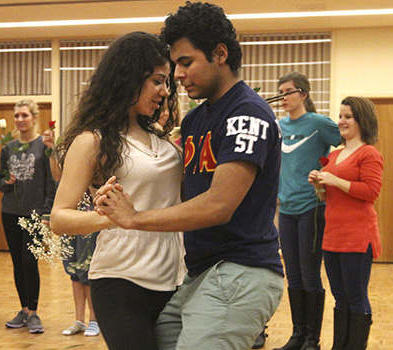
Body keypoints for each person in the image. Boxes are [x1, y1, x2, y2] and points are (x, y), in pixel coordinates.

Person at [95, 3, 284, 349]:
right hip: (199, 274)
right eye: (174, 66)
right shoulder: (196, 121)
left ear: (220, 54)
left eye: (186, 62)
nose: (176, 76)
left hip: (240, 270)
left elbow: (218, 206)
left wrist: (134, 218)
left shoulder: (248, 114)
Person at [50, 31, 184, 350]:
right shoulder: (92, 141)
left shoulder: (162, 140)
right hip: (121, 282)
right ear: (129, 78)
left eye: (167, 82)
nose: (165, 91)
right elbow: (59, 218)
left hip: (175, 280)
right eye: (157, 80)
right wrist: (114, 219)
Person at [308, 97, 382, 350]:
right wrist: (319, 185)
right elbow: (329, 197)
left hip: (358, 237)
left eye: (348, 117)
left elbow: (371, 191)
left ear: (362, 120)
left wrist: (335, 180)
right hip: (333, 236)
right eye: (340, 116)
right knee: (340, 298)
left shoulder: (369, 153)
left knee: (355, 297)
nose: (341, 121)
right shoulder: (336, 154)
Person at [273, 72, 340, 350]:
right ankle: (297, 335)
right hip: (285, 209)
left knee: (310, 273)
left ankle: (313, 339)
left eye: (288, 91)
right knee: (294, 274)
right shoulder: (278, 126)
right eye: (280, 92)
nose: (283, 98)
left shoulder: (319, 124)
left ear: (304, 94)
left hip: (312, 208)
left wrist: (326, 172)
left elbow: (348, 150)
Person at [0, 99, 56, 334]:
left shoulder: (44, 145)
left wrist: (47, 213)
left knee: (29, 262)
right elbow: (0, 183)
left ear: (34, 118)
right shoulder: (8, 148)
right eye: (17, 116)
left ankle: (33, 312)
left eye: (24, 116)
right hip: (10, 212)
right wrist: (7, 182)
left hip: (35, 215)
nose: (20, 120)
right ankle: (23, 309)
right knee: (17, 263)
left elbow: (51, 183)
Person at [42, 129, 100, 337]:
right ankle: (79, 319)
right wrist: (52, 151)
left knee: (87, 269)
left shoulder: (94, 147)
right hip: (69, 216)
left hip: (87, 215)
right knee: (73, 269)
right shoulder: (70, 152)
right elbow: (58, 176)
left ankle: (94, 319)